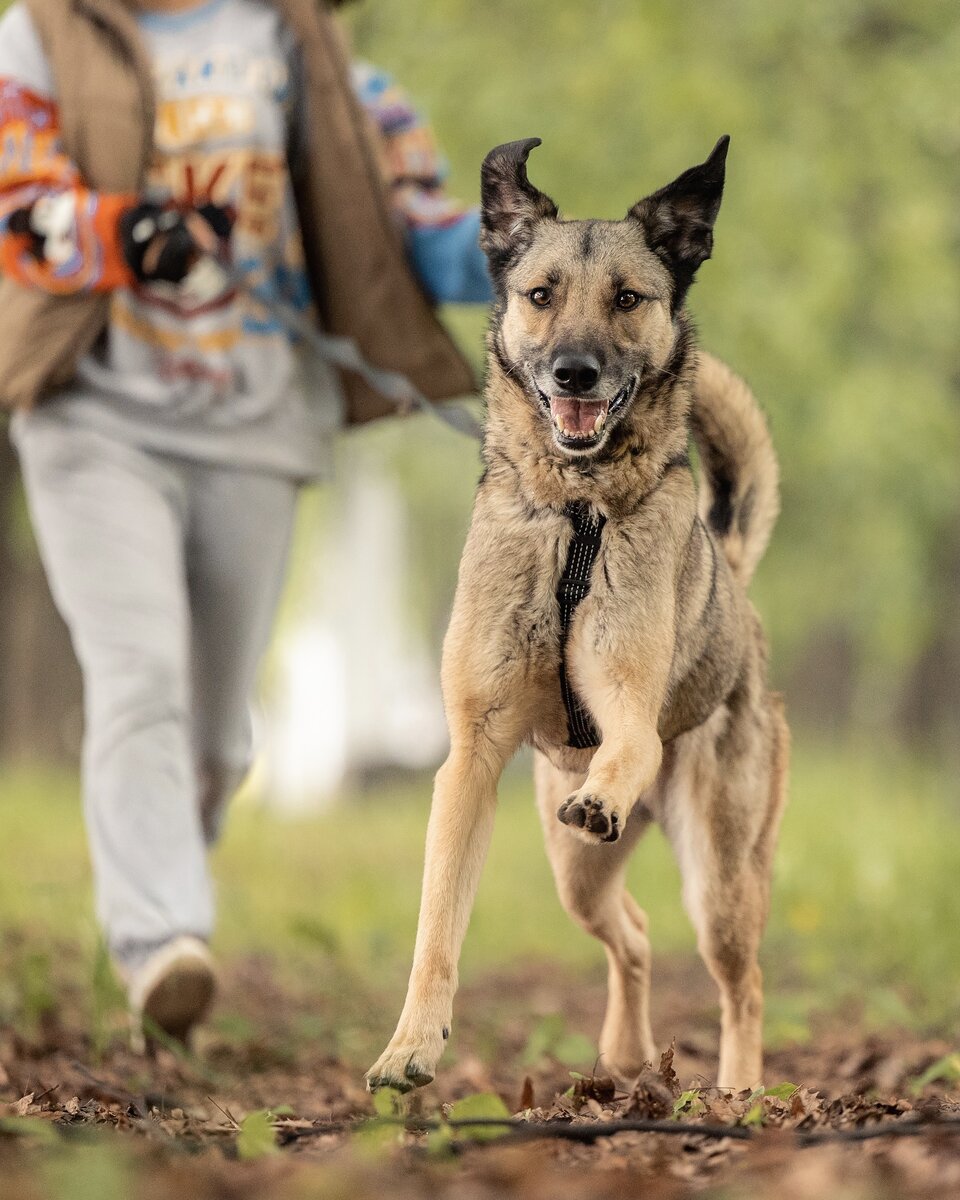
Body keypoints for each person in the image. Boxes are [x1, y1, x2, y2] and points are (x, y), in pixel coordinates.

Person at [0, 0, 491, 1046]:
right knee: (140, 676)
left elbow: (410, 223)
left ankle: (163, 864)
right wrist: (125, 230)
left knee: (217, 737)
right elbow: (16, 199)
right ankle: (161, 941)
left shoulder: (312, 48)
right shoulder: (38, 32)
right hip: (95, 416)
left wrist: (513, 256)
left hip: (258, 424)